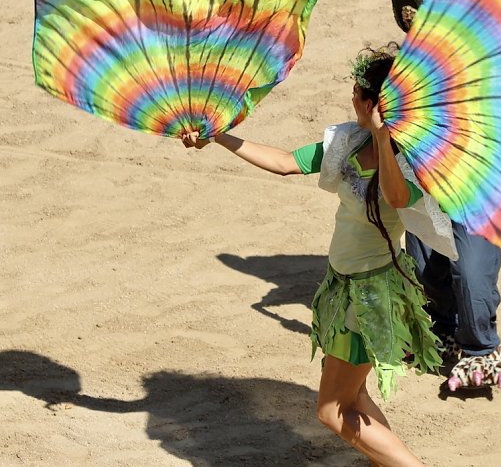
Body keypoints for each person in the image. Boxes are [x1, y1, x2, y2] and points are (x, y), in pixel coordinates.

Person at [182, 44, 453, 467]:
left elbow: (397, 197)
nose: (351, 97)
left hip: (370, 297)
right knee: (355, 395)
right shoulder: (349, 141)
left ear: (375, 105)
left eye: (358, 92)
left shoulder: (413, 160)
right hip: (343, 288)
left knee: (331, 411)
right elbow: (287, 161)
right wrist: (217, 137)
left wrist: (384, 137)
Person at [391, 0, 501, 392]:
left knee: (471, 273)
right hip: (427, 190)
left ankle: (480, 351)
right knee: (426, 270)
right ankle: (445, 332)